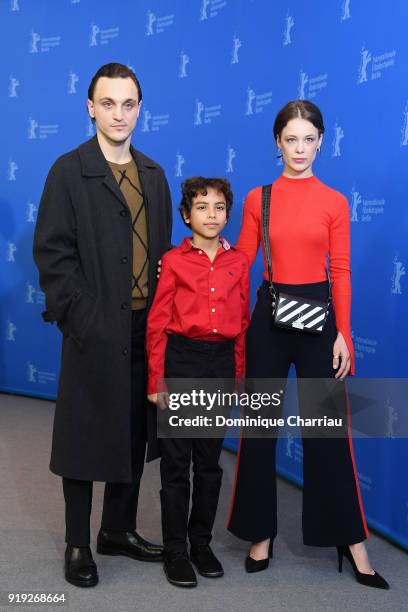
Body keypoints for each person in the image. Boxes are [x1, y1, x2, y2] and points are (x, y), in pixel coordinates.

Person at [227, 100, 389, 589]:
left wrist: (344, 333)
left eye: (308, 138)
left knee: (327, 430)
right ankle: (260, 534)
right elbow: (243, 261)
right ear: (277, 142)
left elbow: (340, 271)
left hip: (321, 322)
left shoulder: (335, 201)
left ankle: (350, 539)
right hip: (269, 319)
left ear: (322, 141)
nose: (299, 148)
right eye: (290, 139)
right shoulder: (260, 198)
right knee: (258, 426)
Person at [33, 63, 172, 587]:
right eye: (108, 103)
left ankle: (118, 530)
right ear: (90, 107)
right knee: (84, 434)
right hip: (94, 328)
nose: (119, 114)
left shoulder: (155, 176)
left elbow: (162, 253)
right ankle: (77, 541)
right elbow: (52, 254)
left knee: (134, 433)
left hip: (145, 329)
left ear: (140, 108)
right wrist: (82, 317)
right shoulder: (68, 170)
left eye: (128, 103)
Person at [146, 177, 250, 587]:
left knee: (209, 465)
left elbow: (242, 324)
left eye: (220, 206)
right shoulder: (173, 261)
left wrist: (238, 377)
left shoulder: (239, 262)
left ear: (228, 213)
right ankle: (174, 550)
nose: (212, 214)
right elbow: (156, 324)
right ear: (187, 215)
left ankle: (200, 543)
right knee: (176, 465)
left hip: (220, 365)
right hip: (182, 362)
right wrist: (157, 379)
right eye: (202, 207)